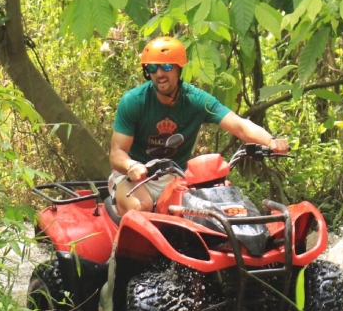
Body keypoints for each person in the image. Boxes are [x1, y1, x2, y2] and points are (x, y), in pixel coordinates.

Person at [108, 36, 290, 216]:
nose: (159, 73)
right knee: (142, 207)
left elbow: (239, 125)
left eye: (167, 66)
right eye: (153, 68)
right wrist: (132, 166)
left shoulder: (196, 100)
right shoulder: (134, 101)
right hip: (134, 177)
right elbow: (117, 153)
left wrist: (270, 141)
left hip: (175, 176)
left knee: (207, 212)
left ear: (179, 69)